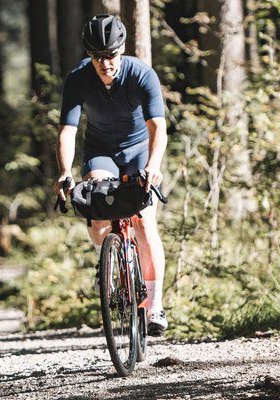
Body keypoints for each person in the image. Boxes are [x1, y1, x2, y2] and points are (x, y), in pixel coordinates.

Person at [53, 15, 169, 336]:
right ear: (90, 56)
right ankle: (110, 263)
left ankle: (155, 304)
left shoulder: (141, 74)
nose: (106, 63)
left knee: (144, 222)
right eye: (98, 57)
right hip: (100, 150)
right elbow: (67, 132)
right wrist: (64, 171)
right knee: (98, 212)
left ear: (122, 50)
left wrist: (154, 165)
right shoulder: (78, 79)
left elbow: (157, 128)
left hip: (138, 152)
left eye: (112, 55)